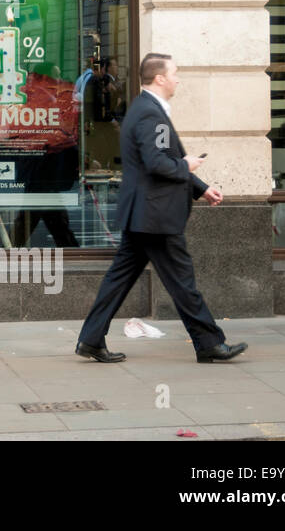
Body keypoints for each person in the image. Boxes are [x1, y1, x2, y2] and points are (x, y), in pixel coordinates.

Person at [75, 52, 248, 364]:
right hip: (155, 217)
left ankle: (90, 339)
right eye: (175, 73)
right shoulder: (150, 114)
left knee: (119, 279)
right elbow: (158, 164)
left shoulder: (146, 110)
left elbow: (154, 163)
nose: (178, 78)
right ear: (160, 78)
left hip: (143, 215)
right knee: (182, 283)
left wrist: (203, 188)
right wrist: (186, 163)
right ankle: (209, 343)